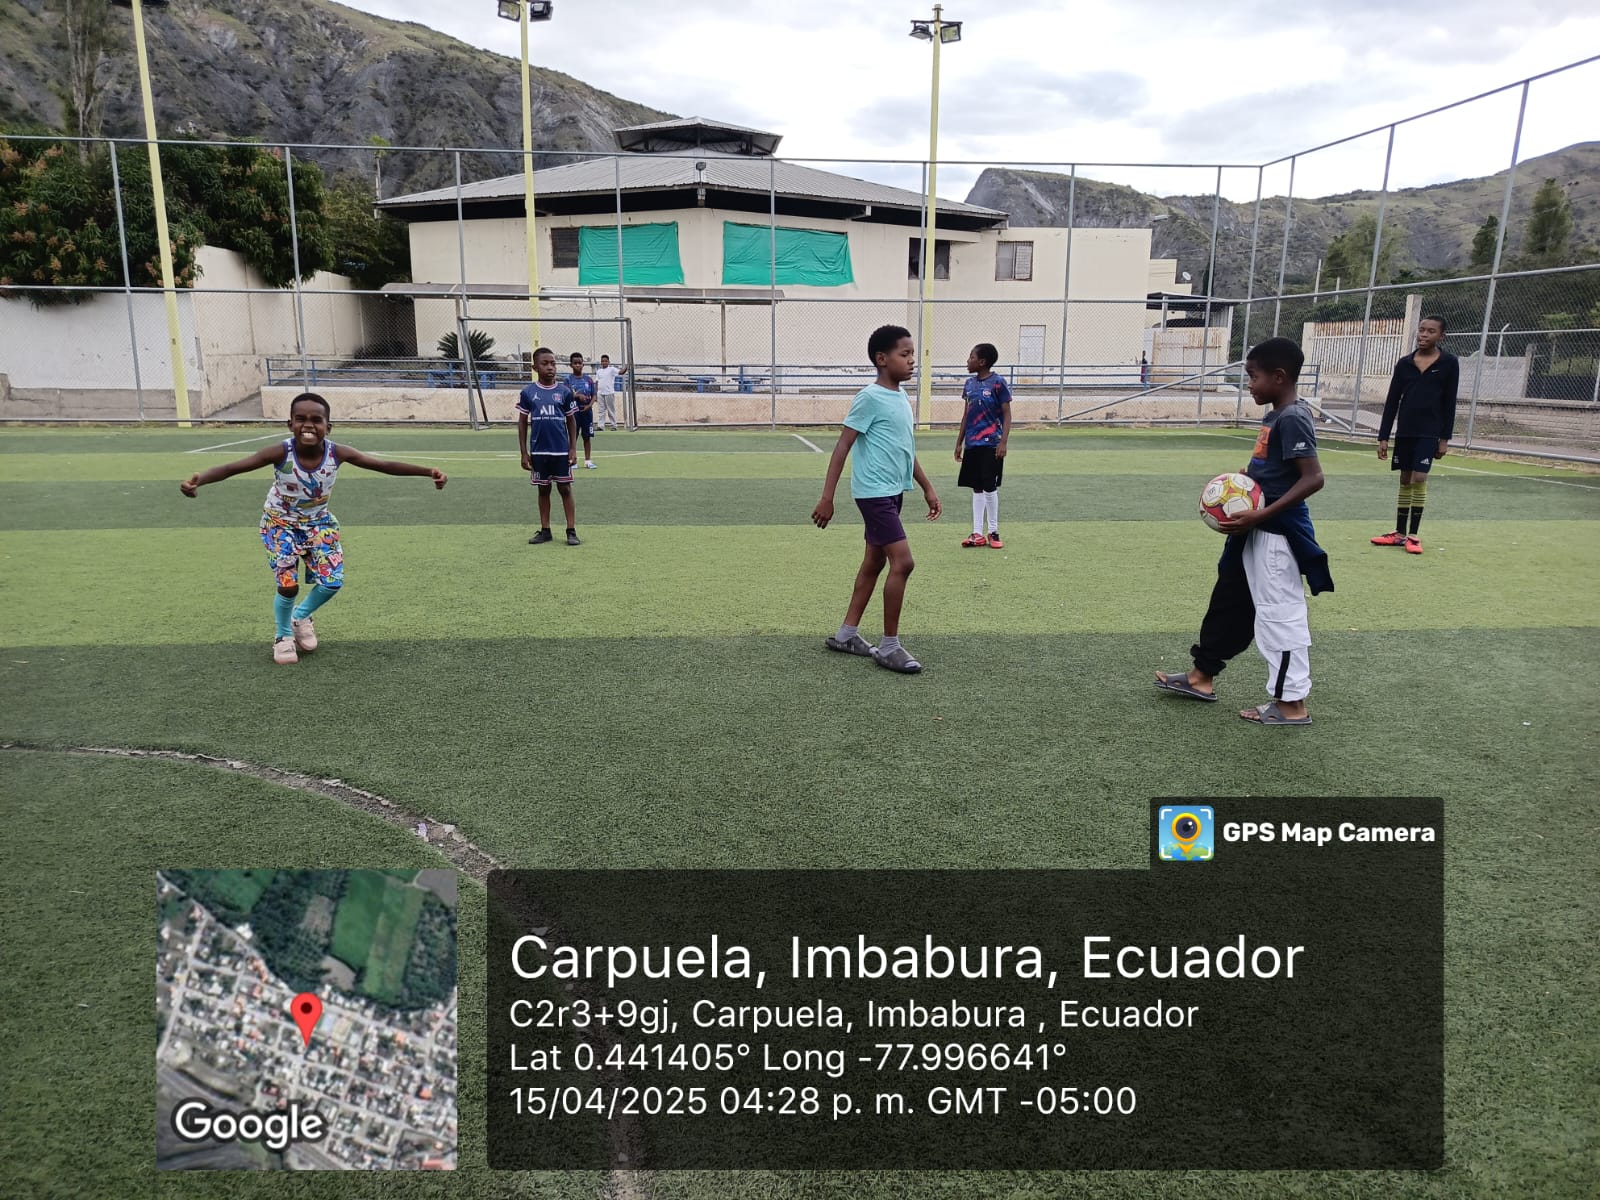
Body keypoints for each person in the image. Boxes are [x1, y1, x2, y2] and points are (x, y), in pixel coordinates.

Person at [178, 392, 447, 665]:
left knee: (332, 581)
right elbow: (234, 467)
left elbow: (383, 465)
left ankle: (300, 616)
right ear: (290, 424)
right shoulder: (280, 452)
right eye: (301, 419)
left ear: (328, 427)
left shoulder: (337, 453)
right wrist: (200, 481)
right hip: (279, 524)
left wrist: (427, 472)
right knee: (288, 585)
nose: (308, 425)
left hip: (318, 524)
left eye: (316, 420)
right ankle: (283, 636)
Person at [1154, 337, 1332, 725]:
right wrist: (1247, 483)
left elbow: (1313, 478)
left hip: (1276, 533)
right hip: (1254, 529)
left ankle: (1292, 704)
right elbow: (1277, 472)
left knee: (1279, 614)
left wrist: (1260, 513)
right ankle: (1201, 677)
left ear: (1279, 377)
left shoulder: (1293, 417)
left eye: (1253, 376)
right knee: (1230, 600)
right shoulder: (1275, 416)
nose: (1248, 384)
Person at [811, 324, 942, 674]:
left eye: (913, 354)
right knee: (904, 562)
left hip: (893, 492)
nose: (912, 360)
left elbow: (906, 450)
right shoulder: (869, 397)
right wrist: (827, 498)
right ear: (882, 359)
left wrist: (927, 487)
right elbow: (843, 446)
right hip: (874, 494)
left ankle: (846, 635)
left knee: (875, 562)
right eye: (905, 354)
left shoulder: (901, 397)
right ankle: (889, 646)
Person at [1371, 315, 1457, 555]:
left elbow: (1449, 403)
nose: (1424, 335)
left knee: (1419, 477)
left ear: (1441, 336)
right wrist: (1383, 437)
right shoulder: (1404, 364)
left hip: (1429, 432)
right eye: (1421, 330)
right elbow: (1392, 401)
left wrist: (1444, 439)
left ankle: (1413, 535)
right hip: (1405, 431)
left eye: (1431, 331)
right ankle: (1399, 534)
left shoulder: (1449, 363)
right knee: (1405, 478)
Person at [518, 348, 582, 546]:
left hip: (560, 451)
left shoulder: (564, 392)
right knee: (543, 489)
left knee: (565, 488)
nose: (550, 367)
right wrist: (524, 453)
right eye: (545, 363)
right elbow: (522, 422)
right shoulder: (528, 392)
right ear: (535, 367)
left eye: (553, 363)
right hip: (539, 451)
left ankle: (571, 530)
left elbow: (571, 421)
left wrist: (573, 448)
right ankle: (545, 530)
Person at [954, 342, 1012, 548]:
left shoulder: (998, 383)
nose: (967, 361)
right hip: (973, 444)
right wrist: (959, 442)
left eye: (971, 357)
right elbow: (966, 415)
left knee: (989, 486)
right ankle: (977, 533)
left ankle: (993, 532)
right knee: (976, 487)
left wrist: (1003, 442)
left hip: (991, 444)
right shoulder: (969, 384)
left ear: (982, 361)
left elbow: (1007, 414)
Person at [567, 352, 599, 468]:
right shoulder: (568, 380)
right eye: (575, 363)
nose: (578, 365)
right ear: (571, 365)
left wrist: (589, 406)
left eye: (579, 363)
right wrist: (577, 396)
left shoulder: (588, 379)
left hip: (587, 412)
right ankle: (572, 460)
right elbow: (566, 394)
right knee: (573, 436)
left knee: (587, 436)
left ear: (583, 364)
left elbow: (594, 395)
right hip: (573, 413)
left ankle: (588, 461)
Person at [594, 354, 628, 431]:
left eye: (606, 361)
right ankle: (600, 426)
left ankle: (613, 425)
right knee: (601, 410)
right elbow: (597, 382)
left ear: (608, 362)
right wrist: (596, 393)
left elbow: (621, 372)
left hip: (609, 392)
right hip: (600, 393)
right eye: (602, 361)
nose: (604, 363)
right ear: (601, 362)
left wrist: (626, 367)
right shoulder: (599, 371)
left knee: (610, 409)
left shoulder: (611, 369)